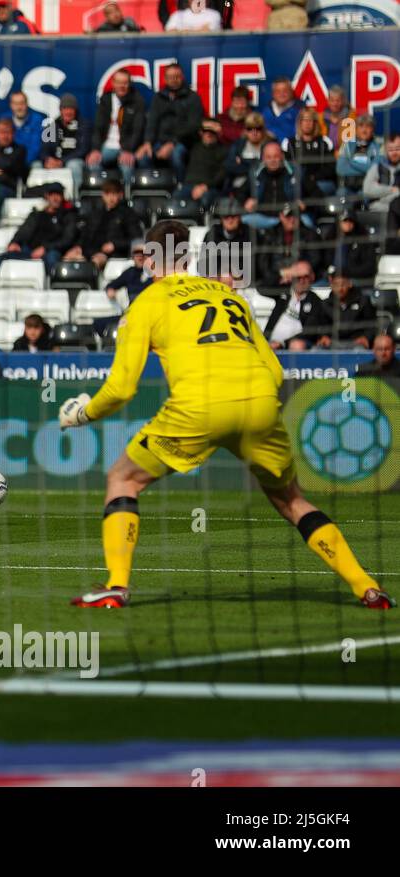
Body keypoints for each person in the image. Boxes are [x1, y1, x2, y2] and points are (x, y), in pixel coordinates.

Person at [60, 219, 392, 610]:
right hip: (259, 404)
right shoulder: (230, 297)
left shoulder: (147, 302)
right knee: (291, 500)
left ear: (150, 259)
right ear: (188, 255)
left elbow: (121, 389)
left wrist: (82, 414)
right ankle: (367, 587)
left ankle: (116, 585)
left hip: (198, 406)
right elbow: (275, 370)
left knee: (122, 478)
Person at [139, 64, 203, 182]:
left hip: (183, 142)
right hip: (159, 141)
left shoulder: (192, 98)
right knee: (142, 157)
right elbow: (152, 121)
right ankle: (152, 189)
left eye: (176, 76)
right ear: (165, 78)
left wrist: (172, 143)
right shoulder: (159, 97)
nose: (173, 80)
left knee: (176, 156)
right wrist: (147, 142)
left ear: (182, 77)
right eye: (170, 77)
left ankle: (181, 187)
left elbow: (193, 126)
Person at [0, 182, 77, 274]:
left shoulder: (68, 216)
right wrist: (15, 242)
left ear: (62, 197)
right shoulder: (37, 215)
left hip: (51, 251)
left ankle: (49, 285)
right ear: (47, 196)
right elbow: (24, 230)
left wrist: (45, 248)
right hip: (30, 249)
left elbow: (67, 239)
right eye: (52, 194)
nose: (55, 198)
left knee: (52, 257)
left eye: (58, 195)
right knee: (0, 258)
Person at [66, 178, 140, 270]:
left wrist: (115, 245)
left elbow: (136, 239)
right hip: (89, 249)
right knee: (67, 259)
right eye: (107, 193)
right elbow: (85, 234)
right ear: (103, 195)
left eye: (114, 194)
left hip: (108, 254)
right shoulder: (95, 213)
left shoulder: (128, 214)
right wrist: (79, 246)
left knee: (94, 263)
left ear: (120, 195)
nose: (111, 198)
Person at [88, 70, 148, 173]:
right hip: (107, 146)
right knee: (93, 163)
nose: (122, 86)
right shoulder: (105, 100)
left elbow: (137, 130)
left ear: (129, 84)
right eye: (119, 82)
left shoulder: (137, 101)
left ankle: (126, 189)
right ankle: (104, 189)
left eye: (125, 83)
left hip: (126, 147)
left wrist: (128, 150)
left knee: (127, 167)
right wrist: (95, 149)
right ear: (113, 83)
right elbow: (98, 128)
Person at [263, 259, 330, 350]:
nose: (301, 280)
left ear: (312, 277)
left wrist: (282, 343)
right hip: (269, 343)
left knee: (297, 345)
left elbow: (309, 331)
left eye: (305, 277)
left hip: (291, 346)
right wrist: (285, 272)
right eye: (298, 277)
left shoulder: (316, 301)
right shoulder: (283, 293)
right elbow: (262, 288)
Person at [39, 94, 92, 193]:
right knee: (36, 166)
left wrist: (62, 161)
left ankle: (75, 198)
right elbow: (44, 148)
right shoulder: (52, 126)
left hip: (73, 161)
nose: (68, 112)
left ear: (75, 110)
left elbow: (83, 149)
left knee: (74, 165)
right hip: (55, 161)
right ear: (60, 110)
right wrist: (47, 159)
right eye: (65, 108)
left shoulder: (83, 125)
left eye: (71, 108)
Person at [282, 108, 336, 199]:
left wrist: (314, 177)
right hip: (296, 182)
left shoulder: (325, 142)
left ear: (315, 123)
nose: (307, 123)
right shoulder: (289, 143)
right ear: (300, 122)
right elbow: (287, 167)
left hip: (320, 181)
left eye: (311, 120)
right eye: (305, 120)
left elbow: (331, 167)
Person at [180, 118, 228, 210]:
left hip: (210, 187)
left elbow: (223, 174)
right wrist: (200, 125)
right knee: (175, 200)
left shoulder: (223, 150)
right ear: (201, 132)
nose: (208, 134)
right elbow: (181, 135)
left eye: (212, 131)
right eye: (205, 131)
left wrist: (205, 186)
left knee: (206, 199)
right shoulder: (194, 145)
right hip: (188, 185)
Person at [320, 270, 375, 348]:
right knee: (318, 350)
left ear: (350, 284)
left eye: (343, 284)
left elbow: (372, 324)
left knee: (360, 350)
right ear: (331, 285)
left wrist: (366, 337)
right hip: (332, 343)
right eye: (336, 284)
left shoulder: (363, 301)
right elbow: (321, 325)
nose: (340, 288)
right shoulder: (325, 304)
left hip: (357, 342)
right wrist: (323, 336)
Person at [336, 114, 382, 194]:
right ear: (356, 129)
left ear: (373, 130)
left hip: (369, 186)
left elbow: (374, 169)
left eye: (368, 127)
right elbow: (340, 169)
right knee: (341, 194)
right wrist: (366, 168)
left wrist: (350, 162)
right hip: (348, 186)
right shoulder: (347, 144)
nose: (364, 130)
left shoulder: (379, 145)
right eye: (361, 126)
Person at [362, 133, 400, 213]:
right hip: (380, 211)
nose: (394, 153)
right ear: (385, 150)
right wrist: (391, 190)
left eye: (397, 149)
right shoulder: (376, 168)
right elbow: (367, 190)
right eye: (390, 150)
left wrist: (380, 190)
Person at [261, 77, 305, 146]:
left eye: (285, 91)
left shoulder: (300, 111)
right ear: (273, 94)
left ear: (291, 92)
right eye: (278, 91)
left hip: (293, 151)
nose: (281, 94)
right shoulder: (265, 113)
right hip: (272, 151)